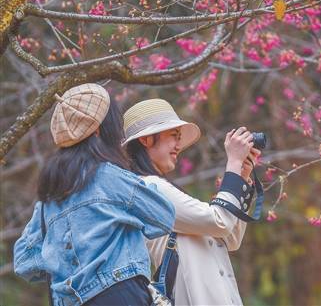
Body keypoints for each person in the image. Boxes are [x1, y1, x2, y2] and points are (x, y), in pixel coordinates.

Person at [13, 84, 176, 306]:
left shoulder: (49, 197)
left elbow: (24, 260)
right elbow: (163, 215)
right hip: (120, 294)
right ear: (99, 130)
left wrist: (65, 265)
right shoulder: (109, 177)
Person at [123, 98, 260, 306]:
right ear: (146, 140)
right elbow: (219, 222)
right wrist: (232, 163)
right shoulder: (149, 187)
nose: (178, 146)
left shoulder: (160, 187)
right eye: (173, 136)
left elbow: (230, 238)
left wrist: (241, 175)